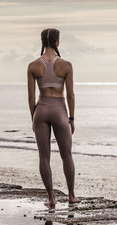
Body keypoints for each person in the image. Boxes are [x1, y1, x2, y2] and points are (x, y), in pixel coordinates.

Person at [27, 28, 81, 207]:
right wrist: (71, 118)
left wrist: (33, 118)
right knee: (67, 156)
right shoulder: (66, 65)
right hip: (59, 110)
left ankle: (51, 198)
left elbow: (30, 97)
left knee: (44, 157)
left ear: (42, 42)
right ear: (57, 42)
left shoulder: (33, 66)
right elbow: (71, 95)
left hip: (40, 110)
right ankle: (71, 195)